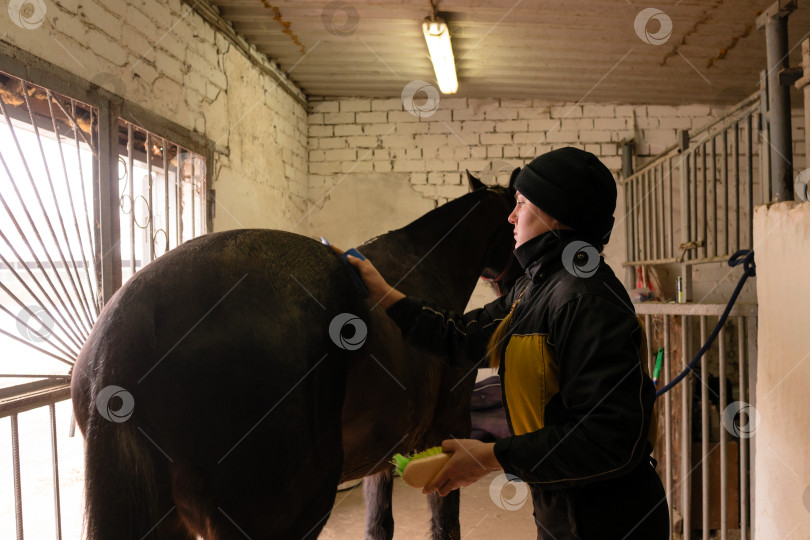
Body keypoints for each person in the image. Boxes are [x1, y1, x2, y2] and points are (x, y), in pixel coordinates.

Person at [344, 147, 669, 539]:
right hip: (563, 508)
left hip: (612, 522)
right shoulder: (535, 288)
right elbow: (462, 337)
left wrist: (492, 457)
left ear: (557, 216)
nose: (511, 216)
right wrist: (384, 294)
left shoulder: (586, 300)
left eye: (520, 203)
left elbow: (609, 440)